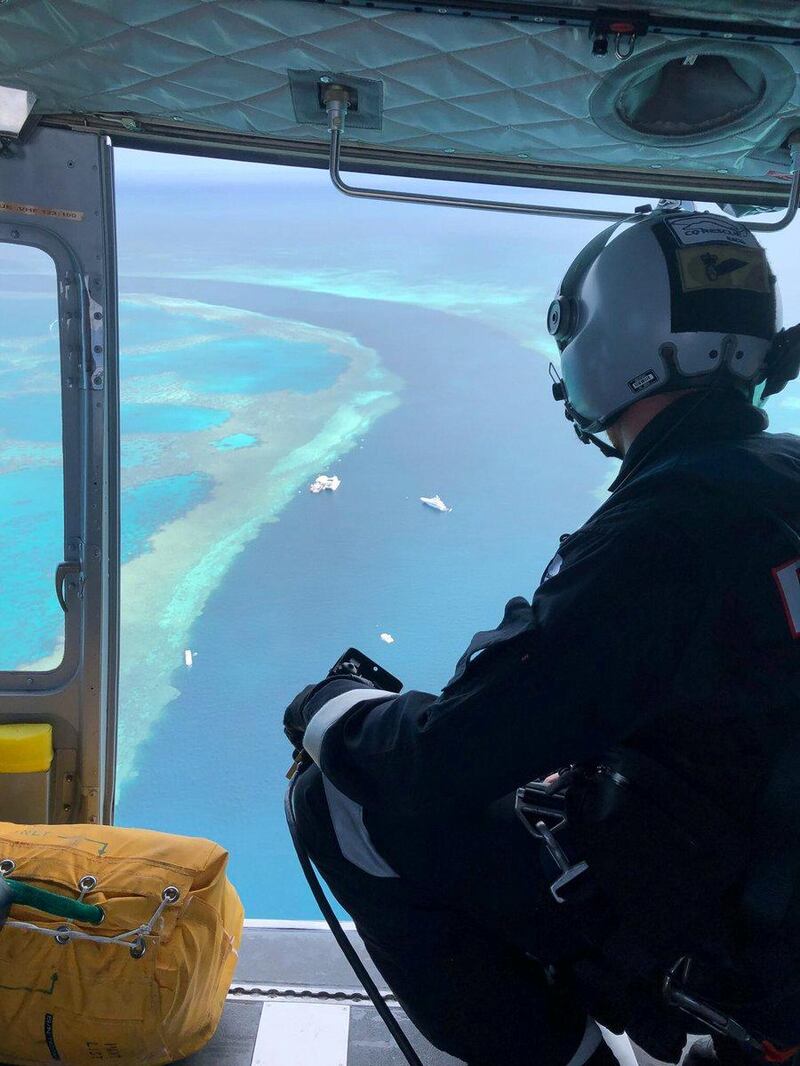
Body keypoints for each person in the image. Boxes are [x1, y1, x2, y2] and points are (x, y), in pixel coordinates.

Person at [284, 208, 800, 1066]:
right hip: (767, 885)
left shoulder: (667, 530)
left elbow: (452, 755)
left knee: (340, 801)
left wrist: (332, 712)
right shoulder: (781, 478)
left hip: (745, 941)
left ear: (606, 343)